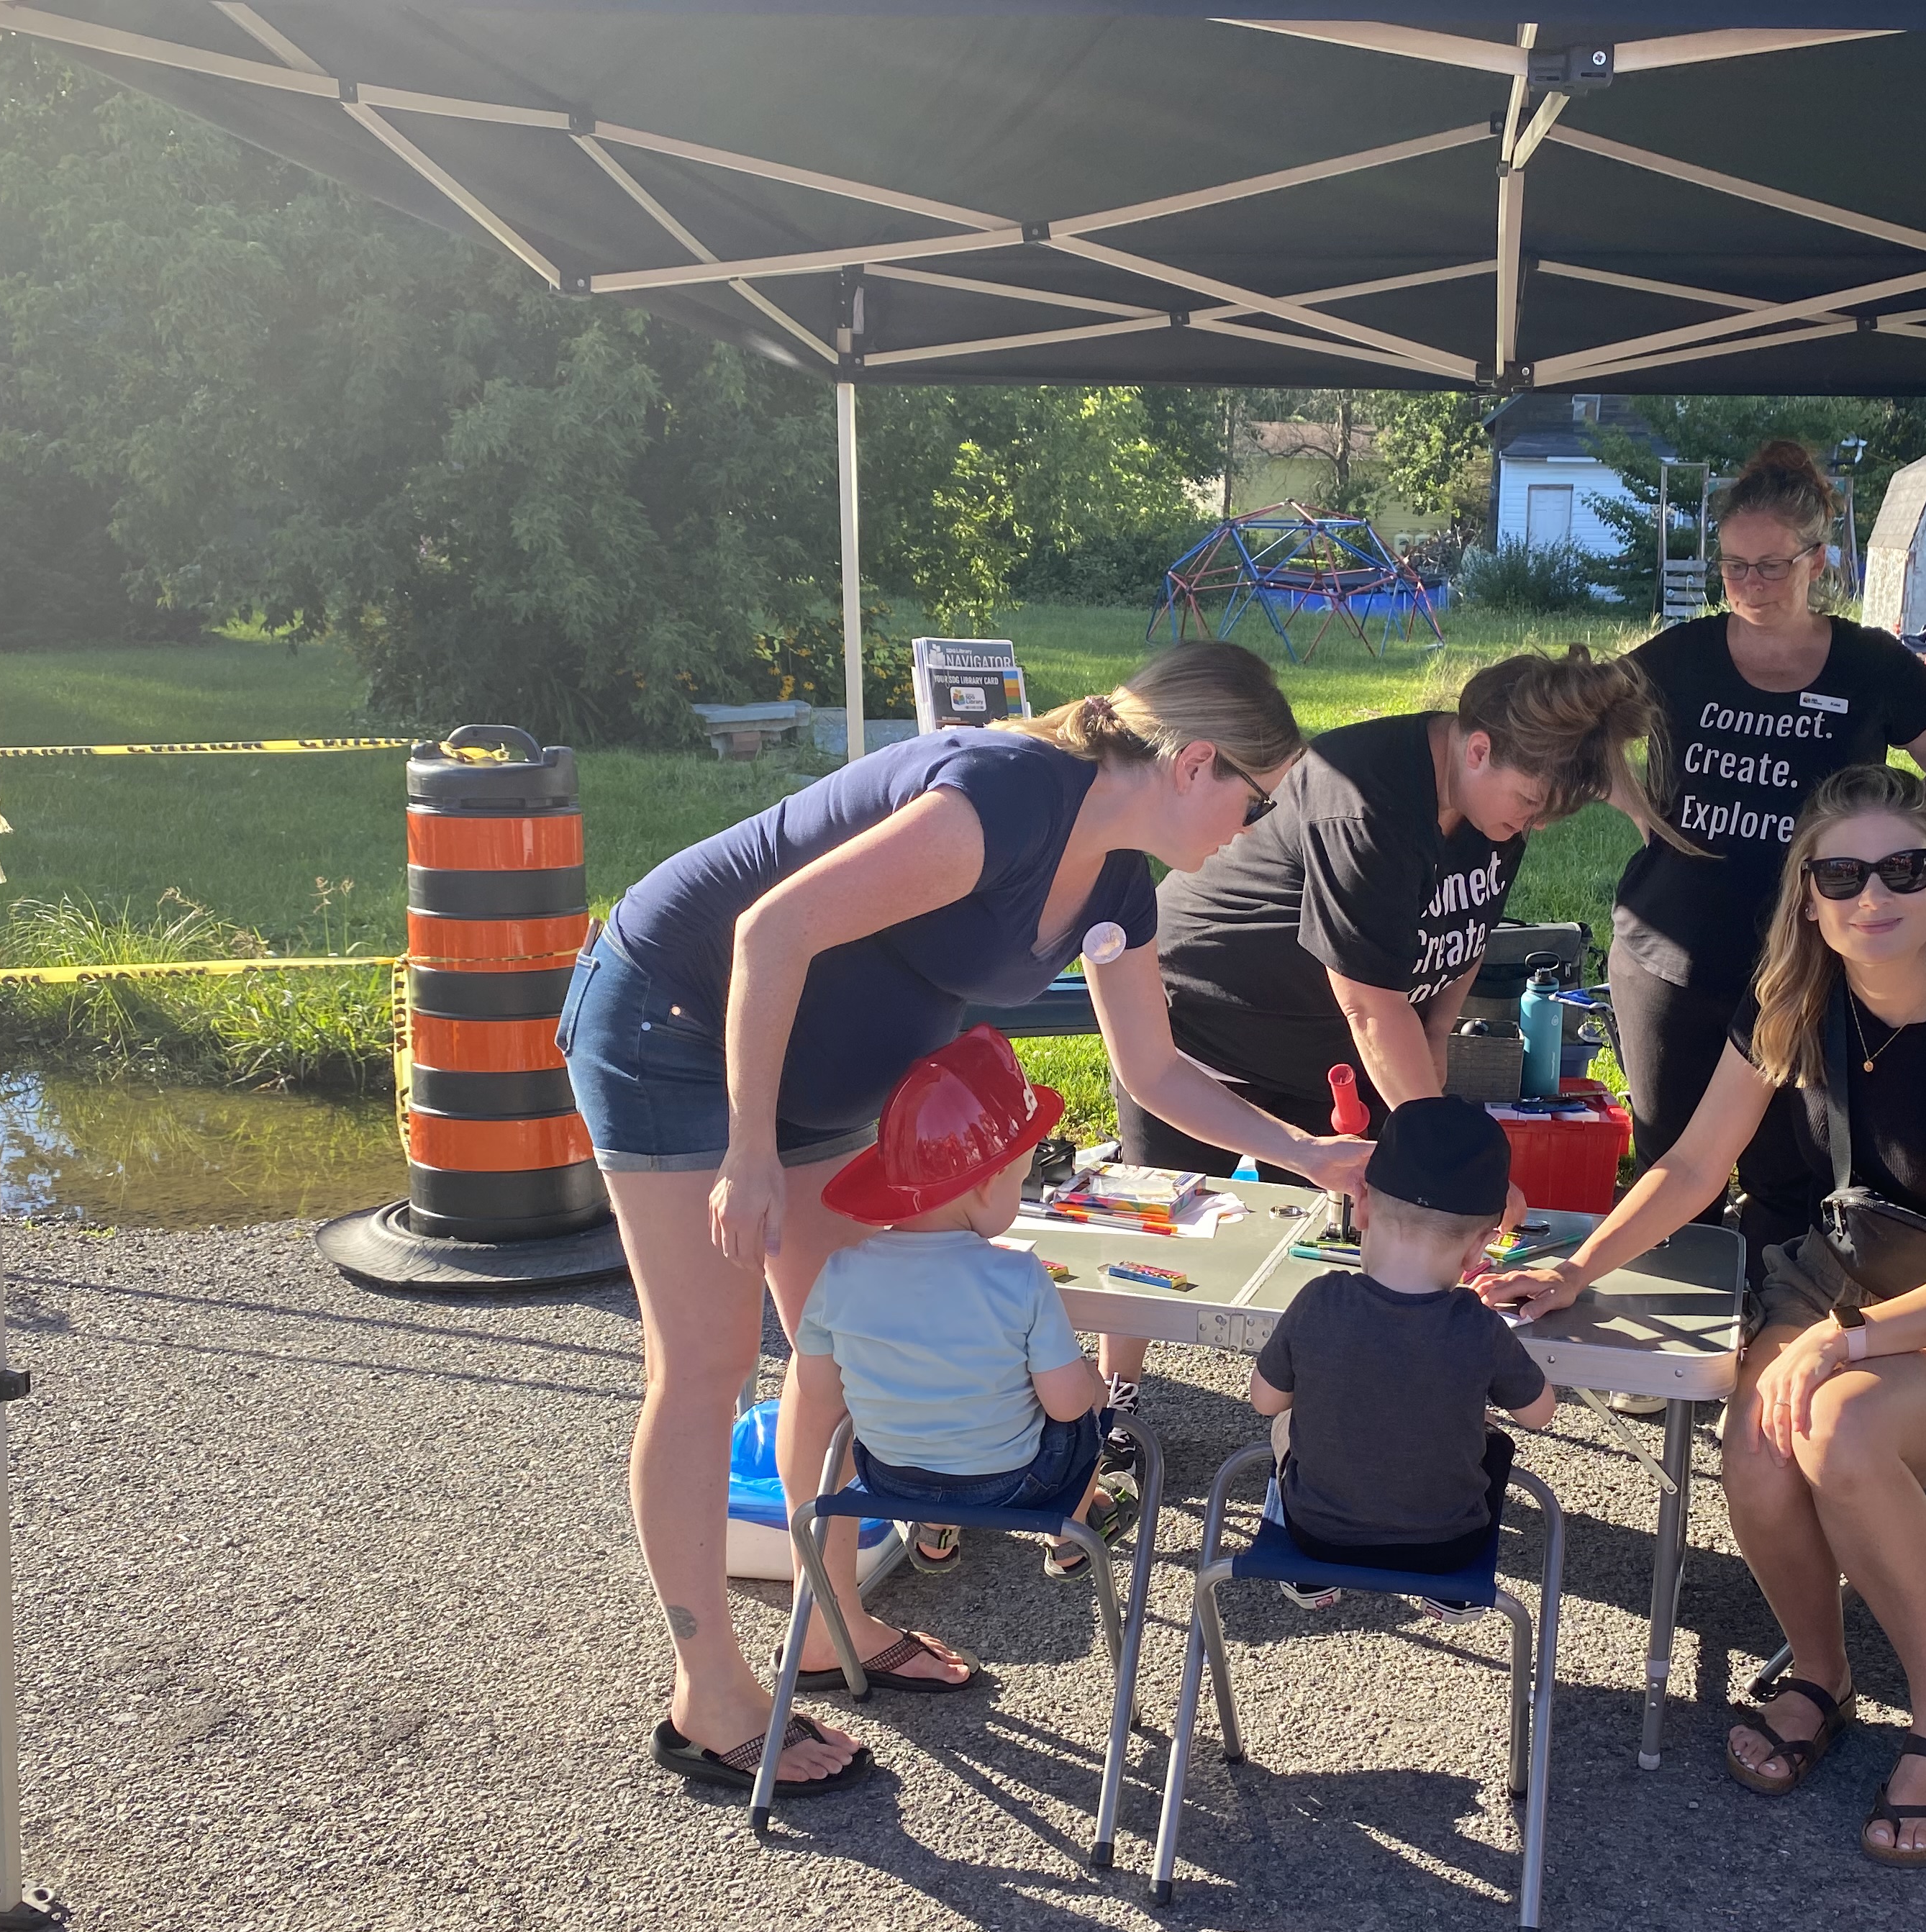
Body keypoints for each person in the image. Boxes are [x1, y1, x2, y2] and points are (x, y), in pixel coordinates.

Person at [561, 641, 1368, 1797]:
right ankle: (709, 1696)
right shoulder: (995, 798)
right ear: (1196, 765)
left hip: (821, 1073)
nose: (1253, 831)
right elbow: (767, 936)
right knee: (707, 1360)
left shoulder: (1119, 886)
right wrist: (747, 1149)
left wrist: (1306, 1154)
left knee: (827, 1358)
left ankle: (838, 1625)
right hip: (681, 1029)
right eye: (1256, 801)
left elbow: (1149, 1069)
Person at [1483, 763, 1926, 1866]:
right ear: (1808, 896)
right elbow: (1699, 1161)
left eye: (1903, 867)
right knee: (1755, 1456)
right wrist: (1577, 1268)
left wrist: (1839, 1345)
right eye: (1840, 874)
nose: (1872, 897)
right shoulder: (1796, 1002)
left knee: (1837, 1426)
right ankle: (1822, 1671)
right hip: (1836, 1281)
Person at [1101, 644, 1688, 1409]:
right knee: (1155, 1225)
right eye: (1529, 803)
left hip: (1330, 1043)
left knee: (1339, 1233)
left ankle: (1337, 1411)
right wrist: (1453, 1167)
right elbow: (1371, 1006)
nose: (1531, 828)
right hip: (1207, 1015)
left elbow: (1456, 952)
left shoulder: (1494, 802)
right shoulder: (1369, 797)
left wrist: (1434, 1085)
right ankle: (1117, 1403)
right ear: (1478, 748)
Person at [1612, 441, 1926, 1250]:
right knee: (1674, 1171)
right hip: (1671, 954)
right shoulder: (1679, 657)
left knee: (1795, 1182)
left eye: (1771, 566)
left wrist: (1895, 844)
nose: (1750, 584)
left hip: (1812, 964)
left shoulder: (1868, 663)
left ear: (1817, 560)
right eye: (1734, 566)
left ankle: (1778, 1347)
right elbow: (1580, 731)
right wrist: (1641, 810)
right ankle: (1669, 1371)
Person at [791, 1028, 1127, 1599]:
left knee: (930, 1433)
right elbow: (1065, 1404)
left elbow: (822, 1389)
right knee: (1089, 1415)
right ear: (986, 1183)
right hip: (1011, 1484)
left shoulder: (841, 1273)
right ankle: (1071, 1532)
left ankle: (933, 1530)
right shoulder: (1018, 1278)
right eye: (1021, 1182)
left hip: (889, 1479)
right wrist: (1096, 1388)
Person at [1248, 1097, 1555, 1613]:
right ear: (1480, 1246)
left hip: (1317, 1540)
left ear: (1362, 1206)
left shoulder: (1319, 1300)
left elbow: (1264, 1400)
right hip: (1447, 1550)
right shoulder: (1478, 1325)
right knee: (1491, 1441)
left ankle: (1309, 1580)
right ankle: (1449, 1592)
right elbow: (1540, 1414)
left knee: (1285, 1427)